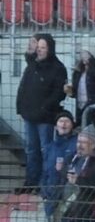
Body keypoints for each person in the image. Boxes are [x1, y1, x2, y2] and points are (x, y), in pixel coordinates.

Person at [17, 33, 68, 191]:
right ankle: (30, 182)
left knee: (46, 150)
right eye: (38, 48)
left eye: (42, 48)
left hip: (45, 117)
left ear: (50, 49)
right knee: (31, 150)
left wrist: (44, 107)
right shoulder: (32, 66)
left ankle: (44, 183)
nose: (39, 51)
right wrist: (21, 107)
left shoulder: (58, 68)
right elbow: (24, 87)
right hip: (29, 115)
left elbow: (59, 93)